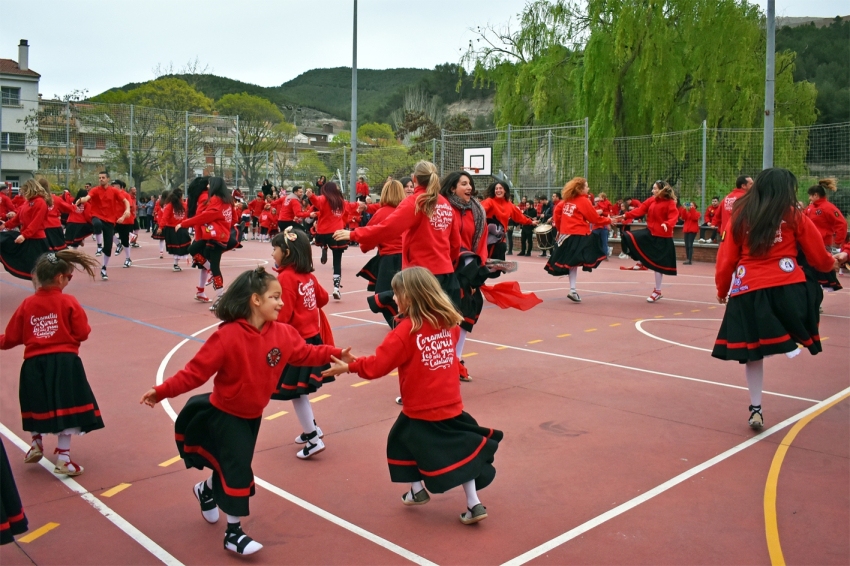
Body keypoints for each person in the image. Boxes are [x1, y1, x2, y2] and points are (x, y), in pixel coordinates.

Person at [141, 267, 352, 555]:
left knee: (230, 465)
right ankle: (234, 533)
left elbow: (304, 353)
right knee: (239, 470)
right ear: (255, 300)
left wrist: (335, 353)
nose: (281, 303)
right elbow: (194, 373)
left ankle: (205, 490)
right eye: (274, 297)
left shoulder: (284, 333)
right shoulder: (227, 336)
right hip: (225, 415)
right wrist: (161, 391)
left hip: (253, 415)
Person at [322, 267, 502, 525]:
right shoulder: (448, 323)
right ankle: (465, 501)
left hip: (421, 406)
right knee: (461, 451)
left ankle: (424, 492)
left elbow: (378, 366)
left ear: (410, 296)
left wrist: (350, 366)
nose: (394, 299)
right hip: (450, 402)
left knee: (401, 442)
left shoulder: (405, 332)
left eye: (396, 294)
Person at [711, 168, 838, 429]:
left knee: (752, 353)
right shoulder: (793, 214)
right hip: (786, 287)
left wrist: (723, 290)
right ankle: (793, 336)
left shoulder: (741, 215)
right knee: (812, 289)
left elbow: (726, 260)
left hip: (748, 289)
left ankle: (755, 407)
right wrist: (831, 264)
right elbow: (817, 254)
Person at [0, 250, 103, 475]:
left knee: (37, 403)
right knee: (67, 409)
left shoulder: (27, 304)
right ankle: (63, 458)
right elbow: (83, 332)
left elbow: (10, 338)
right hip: (64, 363)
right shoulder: (68, 301)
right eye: (69, 277)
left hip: (33, 364)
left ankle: (36, 443)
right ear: (60, 278)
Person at [334, 160, 461, 313]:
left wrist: (354, 234)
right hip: (446, 274)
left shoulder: (415, 202)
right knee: (442, 327)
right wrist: (448, 264)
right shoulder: (445, 204)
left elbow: (388, 228)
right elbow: (455, 243)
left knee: (417, 325)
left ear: (414, 179)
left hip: (420, 276)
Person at [268, 228, 335, 458]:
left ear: (286, 252)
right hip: (311, 339)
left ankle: (313, 438)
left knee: (295, 393)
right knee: (299, 392)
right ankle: (312, 429)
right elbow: (323, 299)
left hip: (295, 343)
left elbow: (282, 316)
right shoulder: (308, 276)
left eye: (275, 249)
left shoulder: (286, 277)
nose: (272, 254)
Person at [441, 171, 489, 381]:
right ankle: (448, 361)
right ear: (452, 188)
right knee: (447, 316)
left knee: (468, 313)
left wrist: (478, 269)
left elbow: (481, 242)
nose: (469, 187)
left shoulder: (477, 211)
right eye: (463, 184)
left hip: (468, 268)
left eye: (470, 183)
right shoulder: (443, 207)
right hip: (446, 267)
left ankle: (457, 360)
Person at [544, 177, 611, 302]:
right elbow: (594, 218)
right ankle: (573, 289)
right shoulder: (583, 201)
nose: (588, 188)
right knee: (595, 252)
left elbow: (557, 216)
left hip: (566, 236)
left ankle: (573, 290)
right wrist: (609, 220)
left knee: (572, 264)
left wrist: (560, 230)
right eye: (586, 186)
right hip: (579, 234)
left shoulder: (565, 201)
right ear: (580, 188)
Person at [615, 181, 680, 302]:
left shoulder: (670, 203)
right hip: (650, 232)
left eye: (654, 188)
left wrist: (667, 224)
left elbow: (674, 217)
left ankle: (657, 291)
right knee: (630, 237)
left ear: (661, 190)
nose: (652, 191)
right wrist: (625, 216)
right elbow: (639, 210)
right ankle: (641, 261)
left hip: (662, 237)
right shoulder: (651, 200)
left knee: (658, 267)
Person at [355, 179, 406, 329]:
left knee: (383, 297)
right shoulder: (408, 211)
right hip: (409, 259)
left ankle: (399, 327)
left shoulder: (381, 213)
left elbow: (366, 240)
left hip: (389, 259)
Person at [179, 177, 233, 308]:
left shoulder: (212, 199)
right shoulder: (226, 200)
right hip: (214, 234)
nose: (208, 186)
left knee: (214, 267)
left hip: (213, 235)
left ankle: (220, 298)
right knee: (195, 252)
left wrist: (184, 223)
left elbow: (205, 216)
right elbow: (233, 217)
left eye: (210, 184)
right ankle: (206, 290)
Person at [307, 181, 361, 299]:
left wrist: (310, 196)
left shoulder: (324, 199)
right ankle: (336, 288)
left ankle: (324, 246)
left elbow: (317, 202)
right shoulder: (341, 202)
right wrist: (359, 205)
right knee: (337, 262)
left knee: (322, 240)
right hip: (337, 233)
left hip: (323, 232)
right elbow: (351, 207)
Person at [76, 172, 130, 280]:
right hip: (97, 216)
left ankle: (104, 268)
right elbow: (87, 197)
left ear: (108, 179)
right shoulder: (95, 190)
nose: (101, 179)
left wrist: (127, 210)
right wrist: (81, 200)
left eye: (103, 178)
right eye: (99, 177)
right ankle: (99, 246)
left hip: (110, 220)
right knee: (97, 224)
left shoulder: (114, 191)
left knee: (109, 247)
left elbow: (125, 201)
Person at [0, 179, 51, 280]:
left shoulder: (40, 202)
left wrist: (24, 235)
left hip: (36, 240)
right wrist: (5, 225)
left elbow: (36, 223)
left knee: (39, 271)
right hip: (27, 237)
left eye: (24, 190)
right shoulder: (27, 203)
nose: (22, 193)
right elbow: (17, 219)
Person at [480, 181, 534, 260]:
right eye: (496, 188)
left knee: (497, 265)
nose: (498, 190)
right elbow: (478, 212)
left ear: (505, 190)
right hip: (487, 238)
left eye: (500, 188)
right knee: (486, 265)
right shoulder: (489, 201)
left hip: (500, 239)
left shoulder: (510, 205)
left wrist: (531, 222)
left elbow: (519, 217)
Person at [804, 178, 847, 251]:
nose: (809, 198)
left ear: (816, 195)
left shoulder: (828, 208)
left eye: (810, 196)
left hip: (824, 245)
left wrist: (837, 242)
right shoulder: (810, 207)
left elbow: (842, 224)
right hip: (810, 243)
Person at [160, 189, 191, 272]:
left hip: (178, 228)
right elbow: (165, 217)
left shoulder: (182, 205)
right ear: (181, 196)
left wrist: (161, 227)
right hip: (176, 229)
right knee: (180, 247)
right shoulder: (171, 206)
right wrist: (161, 227)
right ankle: (175, 264)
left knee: (182, 247)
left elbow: (165, 217)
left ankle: (176, 264)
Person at [111, 180, 135, 267]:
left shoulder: (125, 195)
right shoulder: (111, 195)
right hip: (114, 220)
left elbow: (130, 207)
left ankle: (128, 258)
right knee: (108, 232)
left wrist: (123, 217)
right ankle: (118, 244)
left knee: (125, 240)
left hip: (125, 220)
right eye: (112, 185)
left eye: (115, 185)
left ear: (120, 186)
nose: (113, 187)